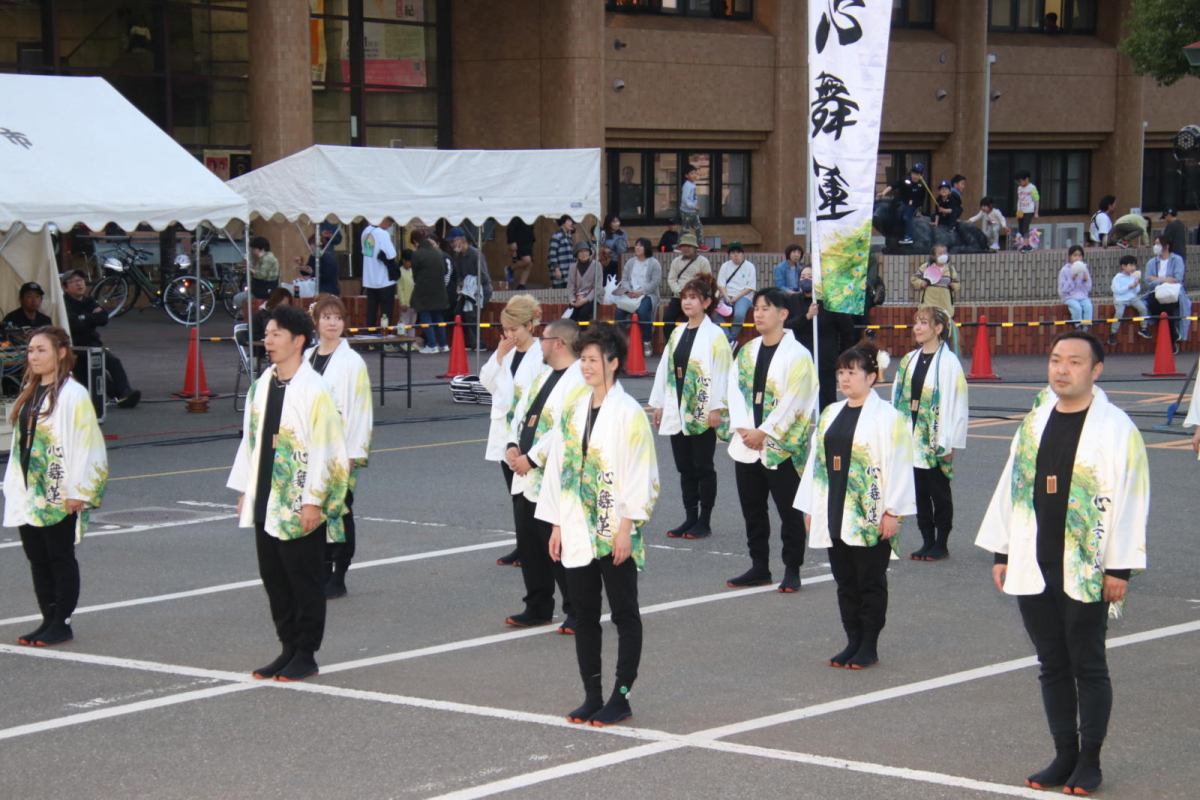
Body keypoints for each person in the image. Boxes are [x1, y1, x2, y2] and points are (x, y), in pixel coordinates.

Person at [976, 331, 1148, 796]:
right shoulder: (1033, 423)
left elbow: (1133, 498)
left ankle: (1090, 760)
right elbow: (1012, 486)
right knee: (1051, 662)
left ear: (1097, 370)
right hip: (1035, 559)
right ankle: (1064, 755)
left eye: (1075, 361)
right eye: (1056, 360)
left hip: (1089, 565)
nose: (1062, 369)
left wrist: (1120, 568)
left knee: (1087, 663)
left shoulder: (1116, 428)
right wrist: (1003, 551)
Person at [538, 322, 659, 727]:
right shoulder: (575, 410)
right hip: (575, 525)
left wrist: (626, 527)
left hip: (613, 526)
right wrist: (556, 524)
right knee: (585, 614)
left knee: (624, 612)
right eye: (583, 359)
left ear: (613, 362)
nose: (586, 366)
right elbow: (559, 468)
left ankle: (620, 696)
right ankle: (591, 694)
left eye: (592, 360)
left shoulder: (628, 413)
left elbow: (642, 472)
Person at [227, 304, 349, 682]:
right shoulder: (263, 383)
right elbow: (251, 441)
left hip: (298, 499)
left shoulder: (315, 390)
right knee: (275, 577)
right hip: (267, 497)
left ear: (298, 341)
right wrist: (246, 490)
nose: (268, 340)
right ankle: (287, 647)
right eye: (266, 333)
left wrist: (314, 500)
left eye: (276, 333)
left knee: (304, 578)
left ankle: (306, 652)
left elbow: (329, 449)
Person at [796, 342, 915, 670]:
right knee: (845, 580)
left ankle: (869, 644)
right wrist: (810, 506)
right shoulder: (831, 412)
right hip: (834, 508)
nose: (844, 379)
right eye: (841, 372)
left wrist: (893, 511)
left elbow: (902, 465)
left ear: (872, 377)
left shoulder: (889, 418)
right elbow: (816, 463)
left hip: (870, 513)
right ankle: (852, 639)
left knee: (870, 580)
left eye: (852, 372)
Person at [3, 326, 107, 647]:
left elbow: (88, 443)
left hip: (58, 488)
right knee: (37, 556)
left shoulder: (72, 393)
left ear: (61, 353)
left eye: (41, 350)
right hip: (29, 488)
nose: (33, 356)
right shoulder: (31, 389)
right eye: (31, 350)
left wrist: (80, 489)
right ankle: (47, 616)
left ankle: (62, 620)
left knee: (60, 556)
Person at [723, 287, 817, 592]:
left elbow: (797, 400)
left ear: (783, 314)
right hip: (747, 443)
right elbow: (734, 390)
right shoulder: (747, 351)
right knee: (753, 509)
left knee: (789, 510)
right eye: (757, 308)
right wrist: (743, 428)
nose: (759, 314)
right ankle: (759, 566)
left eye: (766, 308)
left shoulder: (799, 355)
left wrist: (765, 431)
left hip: (781, 447)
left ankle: (792, 568)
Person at [504, 319, 586, 632]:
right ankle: (537, 605)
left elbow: (565, 427)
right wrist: (512, 445)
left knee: (556, 546)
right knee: (530, 544)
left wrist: (533, 459)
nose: (540, 343)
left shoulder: (579, 380)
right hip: (524, 473)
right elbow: (521, 414)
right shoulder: (543, 377)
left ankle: (577, 609)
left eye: (544, 338)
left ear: (559, 343)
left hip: (551, 475)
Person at [649, 273, 731, 541]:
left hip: (702, 408)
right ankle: (690, 516)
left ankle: (704, 520)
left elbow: (723, 372)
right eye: (684, 298)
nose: (687, 303)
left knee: (703, 465)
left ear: (706, 302)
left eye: (693, 298)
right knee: (684, 465)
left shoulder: (715, 335)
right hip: (677, 405)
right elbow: (665, 369)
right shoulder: (677, 332)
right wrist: (659, 404)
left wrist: (717, 406)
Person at [304, 296, 373, 600]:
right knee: (312, 508)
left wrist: (354, 452)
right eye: (326, 317)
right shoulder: (306, 356)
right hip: (307, 448)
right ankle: (318, 568)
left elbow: (361, 409)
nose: (332, 323)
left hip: (340, 448)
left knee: (339, 510)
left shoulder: (352, 362)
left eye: (338, 318)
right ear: (316, 322)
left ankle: (339, 572)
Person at [892, 307, 968, 562]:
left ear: (938, 329)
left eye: (924, 323)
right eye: (916, 323)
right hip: (911, 433)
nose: (918, 328)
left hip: (934, 437)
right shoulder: (909, 359)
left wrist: (951, 441)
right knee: (919, 491)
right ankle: (927, 540)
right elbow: (897, 396)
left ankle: (942, 542)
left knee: (939, 491)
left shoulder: (948, 363)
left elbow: (957, 403)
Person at [482, 296, 546, 571]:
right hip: (503, 430)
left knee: (529, 493)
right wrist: (498, 355)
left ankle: (535, 547)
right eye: (505, 330)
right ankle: (524, 545)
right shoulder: (505, 352)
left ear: (530, 325)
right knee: (514, 492)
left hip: (527, 432)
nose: (509, 335)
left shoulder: (541, 353)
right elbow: (486, 382)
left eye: (514, 329)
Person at [61, 270, 141, 409]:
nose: (79, 284)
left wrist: (84, 318)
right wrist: (90, 317)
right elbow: (74, 325)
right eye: (73, 281)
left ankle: (124, 393)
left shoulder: (88, 300)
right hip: (75, 346)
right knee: (92, 374)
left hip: (92, 344)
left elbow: (103, 318)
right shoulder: (65, 304)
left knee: (111, 362)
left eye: (81, 280)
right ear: (65, 287)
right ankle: (120, 395)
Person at [789, 266, 841, 411]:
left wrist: (841, 355)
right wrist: (807, 317)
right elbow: (786, 326)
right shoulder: (793, 300)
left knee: (827, 401)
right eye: (803, 276)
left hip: (825, 360)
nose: (806, 279)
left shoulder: (829, 301)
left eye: (810, 276)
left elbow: (845, 329)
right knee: (797, 403)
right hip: (800, 359)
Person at [613, 237, 661, 357]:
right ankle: (624, 341)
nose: (637, 247)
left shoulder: (654, 263)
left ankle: (646, 341)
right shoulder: (630, 262)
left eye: (641, 245)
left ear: (647, 248)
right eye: (636, 245)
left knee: (643, 312)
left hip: (647, 294)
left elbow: (655, 282)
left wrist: (641, 292)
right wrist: (628, 291)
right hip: (630, 294)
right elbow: (624, 279)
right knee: (619, 312)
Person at [1141, 236, 1190, 353]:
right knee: (1153, 305)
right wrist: (1165, 279)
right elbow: (1149, 282)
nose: (1155, 246)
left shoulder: (1177, 260)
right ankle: (1173, 335)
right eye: (1155, 243)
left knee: (1168, 307)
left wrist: (1157, 279)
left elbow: (1177, 279)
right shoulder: (1151, 263)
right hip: (1156, 292)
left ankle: (1170, 340)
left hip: (1173, 292)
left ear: (1166, 246)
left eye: (1158, 243)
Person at [449, 226, 494, 351]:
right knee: (458, 312)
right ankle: (470, 342)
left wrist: (467, 282)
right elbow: (458, 275)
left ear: (460, 240)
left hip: (482, 291)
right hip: (468, 291)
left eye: (452, 241)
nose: (451, 245)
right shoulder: (457, 256)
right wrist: (460, 283)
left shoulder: (475, 255)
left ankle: (479, 344)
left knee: (472, 314)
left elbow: (484, 277)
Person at [910, 246, 961, 354]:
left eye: (945, 252)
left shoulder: (951, 270)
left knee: (945, 334)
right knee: (929, 332)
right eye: (940, 253)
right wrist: (921, 283)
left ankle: (943, 354)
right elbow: (914, 278)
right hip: (929, 305)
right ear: (934, 255)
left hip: (945, 307)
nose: (943, 255)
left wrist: (954, 286)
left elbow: (957, 284)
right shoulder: (926, 267)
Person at [410, 229, 449, 354]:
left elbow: (415, 275)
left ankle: (432, 345)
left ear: (415, 241)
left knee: (426, 317)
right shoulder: (438, 252)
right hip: (440, 290)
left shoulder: (417, 254)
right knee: (439, 317)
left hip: (424, 291)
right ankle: (443, 344)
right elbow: (445, 271)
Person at [664, 234, 712, 324]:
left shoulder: (703, 262)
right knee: (667, 318)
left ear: (695, 248)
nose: (686, 248)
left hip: (696, 297)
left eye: (689, 246)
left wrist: (696, 293)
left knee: (692, 319)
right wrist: (679, 291)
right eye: (684, 246)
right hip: (678, 296)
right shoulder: (676, 261)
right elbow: (671, 279)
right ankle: (670, 338)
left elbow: (707, 281)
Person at [361, 218, 399, 329]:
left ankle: (370, 335)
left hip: (369, 279)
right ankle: (385, 334)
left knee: (371, 310)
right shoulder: (383, 234)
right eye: (390, 223)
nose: (389, 226)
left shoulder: (365, 231)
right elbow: (391, 254)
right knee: (386, 312)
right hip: (384, 279)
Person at [716, 242, 756, 344]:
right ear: (729, 255)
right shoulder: (725, 266)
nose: (736, 255)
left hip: (744, 296)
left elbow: (750, 287)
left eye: (738, 252)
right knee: (714, 312)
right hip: (727, 294)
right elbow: (721, 284)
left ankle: (731, 337)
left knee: (739, 314)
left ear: (742, 253)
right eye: (733, 252)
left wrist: (736, 297)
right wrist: (726, 297)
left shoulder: (750, 266)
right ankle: (727, 336)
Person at [877, 162, 926, 245]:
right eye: (913, 173)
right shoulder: (905, 181)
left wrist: (919, 210)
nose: (915, 176)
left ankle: (908, 236)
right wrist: (884, 192)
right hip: (900, 203)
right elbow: (893, 185)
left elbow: (921, 200)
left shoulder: (921, 186)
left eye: (917, 174)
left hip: (911, 206)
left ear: (921, 175)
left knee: (906, 217)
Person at [1108, 255, 1152, 345]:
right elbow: (1116, 290)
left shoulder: (1133, 277)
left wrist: (1136, 285)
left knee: (1143, 308)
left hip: (1132, 298)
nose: (1133, 268)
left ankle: (1144, 328)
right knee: (1119, 313)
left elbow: (1137, 291)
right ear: (1123, 266)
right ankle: (1113, 333)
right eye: (1131, 265)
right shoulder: (1118, 277)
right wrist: (1128, 287)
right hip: (1120, 299)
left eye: (1134, 265)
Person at [295, 230, 340, 297]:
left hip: (328, 291)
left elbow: (325, 276)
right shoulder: (313, 256)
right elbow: (306, 272)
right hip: (315, 290)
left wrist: (312, 272)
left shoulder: (328, 258)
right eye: (310, 244)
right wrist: (301, 265)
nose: (311, 247)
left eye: (313, 244)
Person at [566, 241, 602, 324]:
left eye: (586, 251)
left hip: (593, 297)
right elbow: (570, 286)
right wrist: (572, 300)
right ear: (577, 254)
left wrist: (586, 300)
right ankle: (573, 336)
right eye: (581, 251)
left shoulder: (597, 265)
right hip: (577, 297)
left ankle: (584, 334)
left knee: (583, 313)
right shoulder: (573, 267)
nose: (584, 253)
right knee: (572, 316)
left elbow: (598, 286)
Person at [1058, 245, 1094, 329]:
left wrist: (1085, 281)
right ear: (1069, 256)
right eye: (1075, 255)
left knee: (1088, 306)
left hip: (1082, 295)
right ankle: (1078, 326)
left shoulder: (1084, 269)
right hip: (1069, 296)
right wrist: (1072, 279)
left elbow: (1088, 288)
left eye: (1079, 255)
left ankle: (1086, 327)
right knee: (1077, 308)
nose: (1077, 258)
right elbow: (1063, 289)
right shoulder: (1065, 270)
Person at [548, 215, 577, 290]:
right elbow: (552, 254)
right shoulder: (557, 235)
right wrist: (556, 269)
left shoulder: (568, 236)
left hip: (568, 273)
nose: (571, 223)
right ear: (563, 223)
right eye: (569, 221)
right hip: (560, 272)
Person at [507, 217, 536, 290]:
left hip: (528, 241)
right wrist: (512, 241)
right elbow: (510, 228)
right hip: (520, 241)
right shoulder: (518, 216)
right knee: (527, 260)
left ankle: (521, 285)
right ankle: (510, 269)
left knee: (529, 264)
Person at [1015, 170, 1040, 250]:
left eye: (1020, 181)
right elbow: (1019, 200)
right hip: (1021, 211)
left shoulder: (1032, 188)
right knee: (1021, 228)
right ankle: (1025, 244)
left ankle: (1026, 245)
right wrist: (1018, 210)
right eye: (1017, 182)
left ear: (1026, 179)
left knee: (1025, 228)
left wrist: (1036, 212)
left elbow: (1036, 200)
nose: (1019, 183)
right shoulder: (1019, 188)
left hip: (1029, 211)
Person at [680, 164, 703, 244]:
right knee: (685, 229)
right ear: (686, 175)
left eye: (695, 173)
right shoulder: (687, 185)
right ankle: (680, 245)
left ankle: (699, 243)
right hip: (687, 211)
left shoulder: (692, 184)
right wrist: (693, 206)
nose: (694, 175)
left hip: (693, 211)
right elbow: (684, 199)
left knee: (698, 227)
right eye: (691, 174)